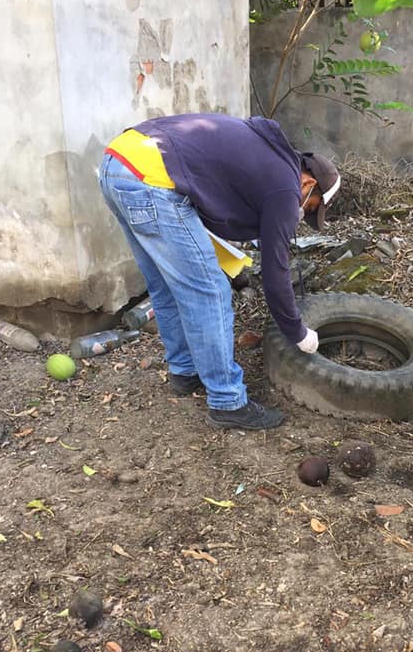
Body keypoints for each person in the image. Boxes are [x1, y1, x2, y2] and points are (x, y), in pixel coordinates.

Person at [98, 113, 341, 431]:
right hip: (152, 180)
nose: (301, 211)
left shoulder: (270, 157)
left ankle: (184, 371)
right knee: (210, 291)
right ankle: (228, 402)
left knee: (165, 286)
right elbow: (275, 274)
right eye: (310, 206)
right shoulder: (286, 187)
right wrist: (297, 332)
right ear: (308, 183)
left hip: (118, 163)